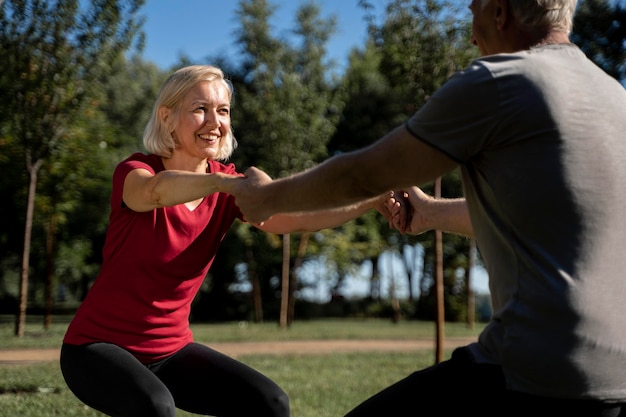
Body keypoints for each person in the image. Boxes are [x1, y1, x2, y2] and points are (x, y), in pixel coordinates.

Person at [218, 0, 626, 415]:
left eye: (474, 13)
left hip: (534, 369)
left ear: (500, 11)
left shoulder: (504, 80)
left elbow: (364, 174)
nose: (471, 34)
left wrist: (268, 197)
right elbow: (537, 215)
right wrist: (429, 212)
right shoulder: (614, 95)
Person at [60, 64, 395, 417]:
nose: (214, 121)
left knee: (270, 403)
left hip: (170, 352)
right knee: (155, 408)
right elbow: (155, 193)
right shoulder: (137, 171)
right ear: (167, 117)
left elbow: (293, 218)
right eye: (199, 109)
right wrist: (224, 184)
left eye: (222, 110)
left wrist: (372, 201)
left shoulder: (228, 187)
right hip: (94, 348)